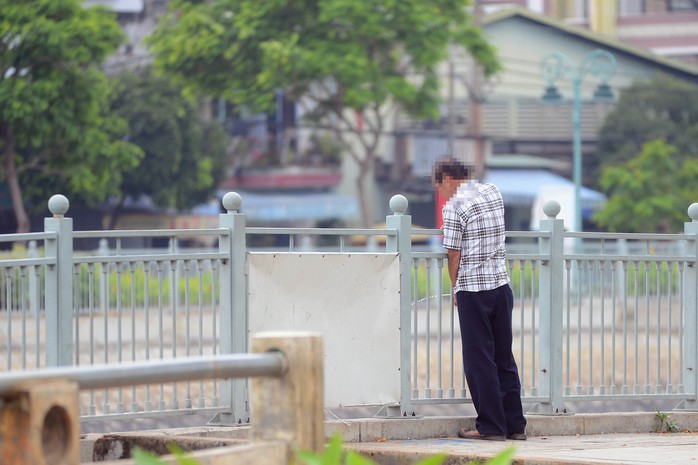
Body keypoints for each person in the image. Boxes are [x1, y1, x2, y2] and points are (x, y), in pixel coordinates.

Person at [432, 156, 527, 442]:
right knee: (503, 357)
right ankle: (515, 425)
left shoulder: (454, 207)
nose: (441, 193)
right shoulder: (492, 191)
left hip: (473, 290)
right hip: (501, 286)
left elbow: (453, 253)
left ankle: (491, 426)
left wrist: (454, 288)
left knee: (479, 361)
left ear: (448, 178)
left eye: (440, 186)